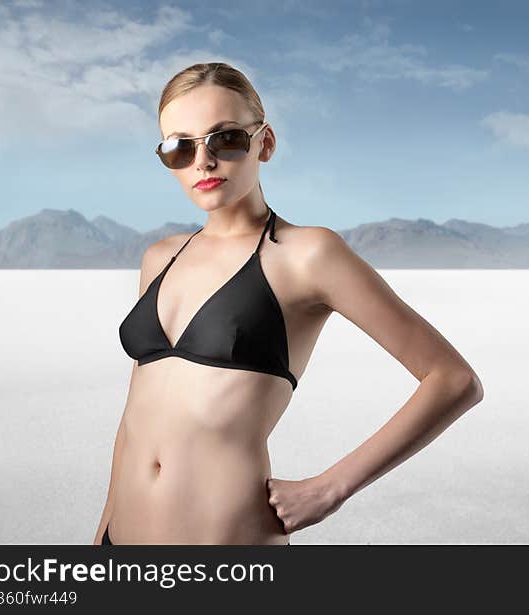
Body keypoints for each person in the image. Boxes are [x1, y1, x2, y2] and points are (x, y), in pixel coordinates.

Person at [93, 62, 484, 545]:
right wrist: (100, 538)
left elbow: (454, 380)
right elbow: (134, 421)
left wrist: (330, 488)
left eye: (226, 139)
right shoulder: (159, 257)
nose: (204, 162)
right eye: (180, 147)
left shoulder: (308, 255)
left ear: (266, 143)